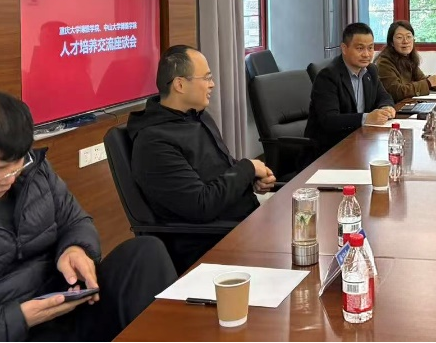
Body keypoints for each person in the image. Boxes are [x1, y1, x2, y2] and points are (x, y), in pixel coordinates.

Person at [0, 92, 176, 342]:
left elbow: (75, 221)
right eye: (1, 169)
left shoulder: (35, 171)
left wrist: (74, 249)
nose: (10, 177)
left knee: (145, 252)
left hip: (65, 301)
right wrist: (20, 318)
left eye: (17, 164)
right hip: (17, 329)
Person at [128, 45, 276, 273]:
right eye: (206, 78)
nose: (212, 84)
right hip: (212, 241)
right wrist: (247, 169)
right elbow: (201, 205)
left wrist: (251, 179)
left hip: (245, 221)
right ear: (179, 84)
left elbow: (220, 170)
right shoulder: (154, 142)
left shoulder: (198, 118)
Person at [305, 23, 396, 153]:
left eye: (370, 48)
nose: (366, 54)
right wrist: (366, 118)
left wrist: (386, 107)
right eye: (360, 48)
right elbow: (329, 120)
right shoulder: (328, 76)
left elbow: (384, 96)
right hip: (330, 149)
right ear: (344, 48)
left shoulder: (370, 70)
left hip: (362, 142)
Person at [375, 20, 436, 102]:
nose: (405, 41)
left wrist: (434, 83)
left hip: (408, 104)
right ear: (391, 42)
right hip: (393, 107)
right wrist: (428, 83)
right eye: (399, 37)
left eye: (409, 36)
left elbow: (421, 79)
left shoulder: (408, 58)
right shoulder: (384, 63)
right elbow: (396, 92)